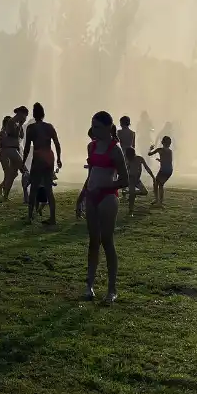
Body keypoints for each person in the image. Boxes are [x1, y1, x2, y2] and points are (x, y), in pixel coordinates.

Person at [83, 111, 128, 303]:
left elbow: (124, 180)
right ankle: (89, 286)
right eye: (93, 126)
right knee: (93, 241)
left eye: (98, 127)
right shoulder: (91, 147)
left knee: (107, 241)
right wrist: (81, 197)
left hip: (108, 198)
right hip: (91, 197)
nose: (94, 130)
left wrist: (105, 186)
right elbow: (91, 173)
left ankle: (112, 289)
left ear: (109, 128)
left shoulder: (114, 150)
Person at [22, 102, 62, 225]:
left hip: (39, 156)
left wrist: (23, 162)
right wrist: (59, 158)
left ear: (34, 115)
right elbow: (57, 143)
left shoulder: (31, 128)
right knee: (48, 189)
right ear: (43, 114)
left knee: (33, 188)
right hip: (49, 156)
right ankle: (53, 217)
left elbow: (27, 147)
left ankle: (30, 216)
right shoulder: (49, 127)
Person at [0, 107, 29, 201]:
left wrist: (21, 125)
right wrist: (19, 126)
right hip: (11, 150)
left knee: (12, 174)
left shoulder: (17, 123)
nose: (25, 118)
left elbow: (21, 136)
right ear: (20, 113)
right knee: (25, 171)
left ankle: (5, 196)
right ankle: (26, 197)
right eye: (25, 115)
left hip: (14, 150)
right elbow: (12, 134)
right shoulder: (11, 122)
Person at [123, 146, 155, 217]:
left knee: (145, 192)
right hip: (130, 180)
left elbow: (147, 168)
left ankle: (128, 192)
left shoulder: (139, 159)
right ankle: (130, 211)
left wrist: (153, 176)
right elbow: (125, 170)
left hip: (137, 180)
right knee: (132, 196)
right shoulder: (127, 161)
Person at [148, 135, 173, 207]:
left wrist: (150, 148)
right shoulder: (170, 151)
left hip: (163, 170)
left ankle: (158, 201)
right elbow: (169, 161)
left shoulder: (160, 150)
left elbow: (149, 154)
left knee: (158, 184)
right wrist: (161, 160)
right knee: (159, 184)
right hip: (169, 170)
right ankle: (158, 201)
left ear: (162, 142)